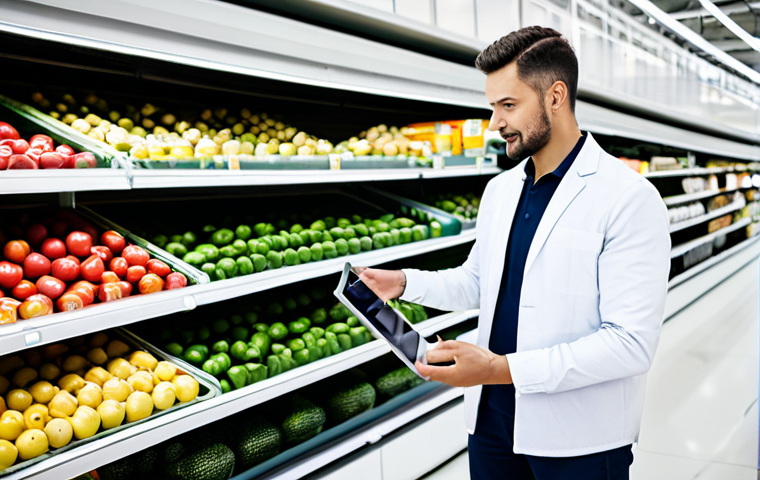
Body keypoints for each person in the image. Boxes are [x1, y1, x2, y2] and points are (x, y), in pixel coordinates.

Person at [359, 26, 671, 479]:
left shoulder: (628, 198)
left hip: (579, 439)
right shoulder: (500, 190)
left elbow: (630, 344)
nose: (494, 124)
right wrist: (406, 283)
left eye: (508, 106)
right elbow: (480, 282)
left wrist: (498, 367)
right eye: (492, 107)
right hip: (491, 425)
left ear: (556, 97)